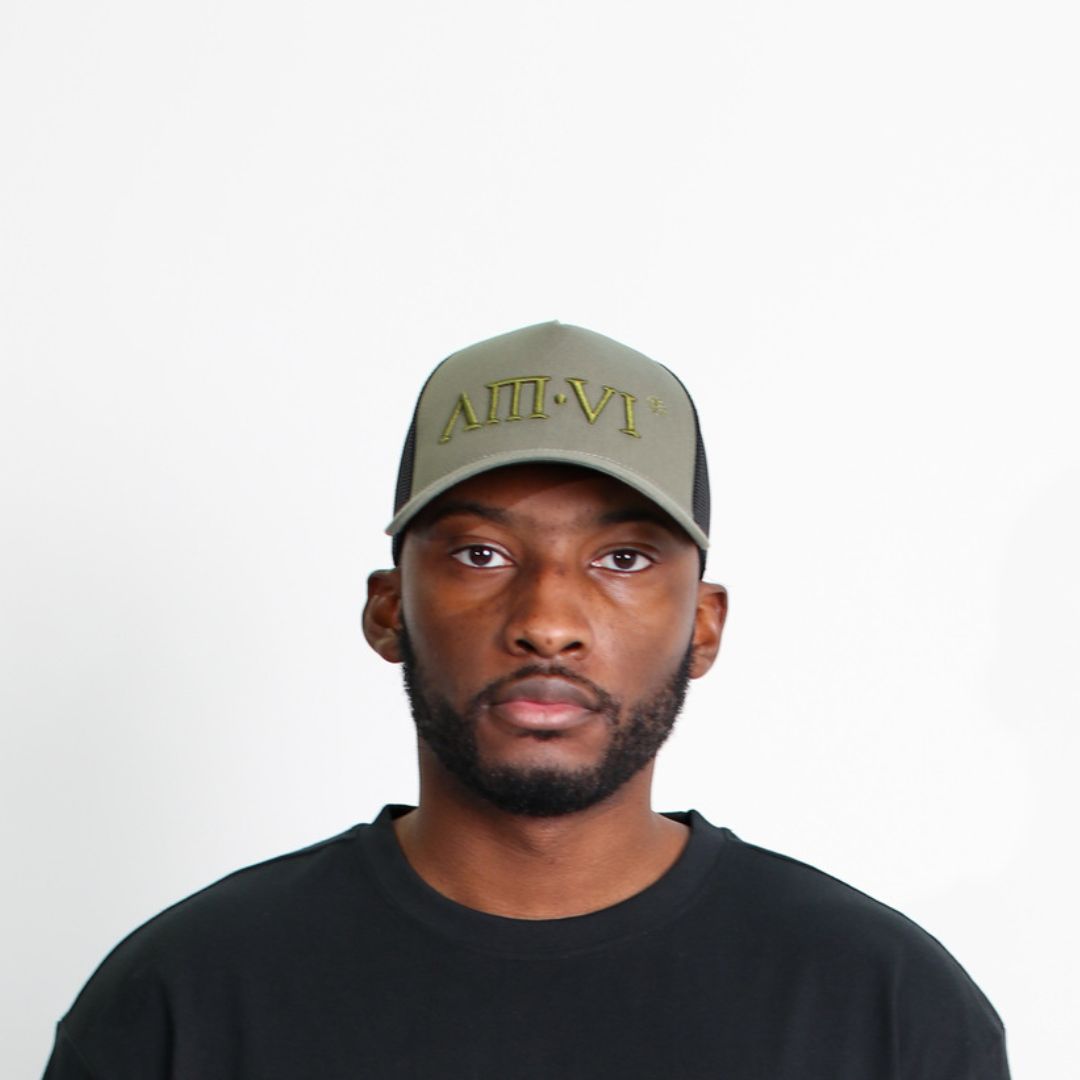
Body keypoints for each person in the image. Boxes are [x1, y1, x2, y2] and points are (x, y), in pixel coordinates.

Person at [43, 322, 1010, 1079]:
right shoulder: (184, 998)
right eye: (481, 553)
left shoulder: (884, 1007)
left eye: (622, 559)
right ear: (389, 610)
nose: (548, 621)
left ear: (705, 626)